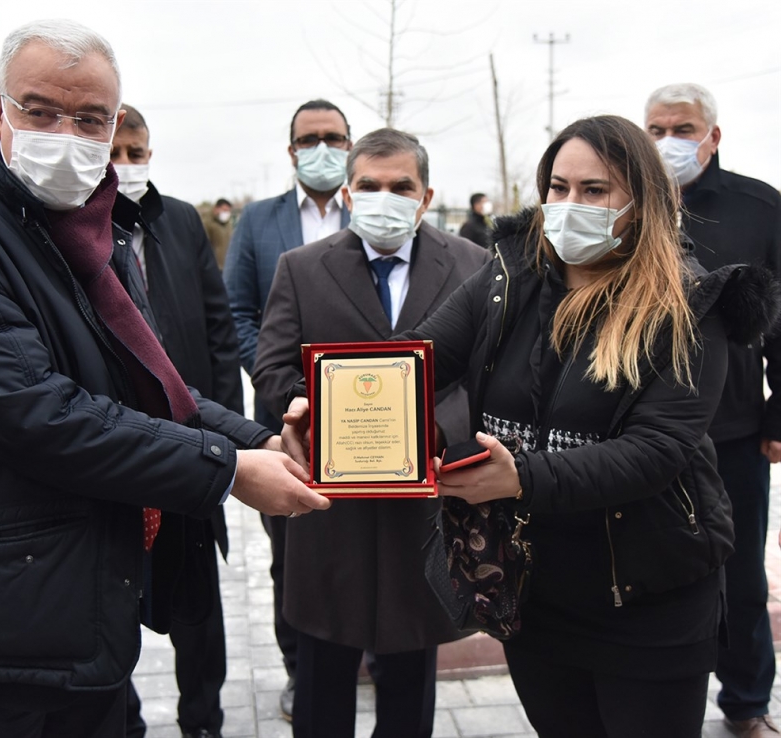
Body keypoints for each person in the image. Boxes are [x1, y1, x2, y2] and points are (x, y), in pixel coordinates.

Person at [0, 19, 328, 738]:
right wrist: (229, 470)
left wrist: (261, 437)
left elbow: (148, 380)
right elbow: (41, 416)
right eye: (40, 110)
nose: (66, 134)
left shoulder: (79, 222)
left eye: (89, 119)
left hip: (73, 614)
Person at [282, 115, 780, 736]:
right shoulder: (505, 281)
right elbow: (413, 364)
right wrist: (319, 411)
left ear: (640, 200)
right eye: (558, 187)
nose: (570, 205)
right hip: (533, 589)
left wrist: (520, 477)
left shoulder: (686, 305)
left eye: (594, 190)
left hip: (646, 595)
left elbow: (657, 450)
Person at [253, 127, 489, 737]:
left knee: (411, 681)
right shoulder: (301, 268)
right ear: (350, 193)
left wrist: (430, 429)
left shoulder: (474, 266)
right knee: (323, 679)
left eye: (400, 186)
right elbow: (273, 369)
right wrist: (325, 417)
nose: (385, 196)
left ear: (426, 195)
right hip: (334, 511)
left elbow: (489, 382)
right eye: (370, 186)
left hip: (426, 511)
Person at [645, 82, 781, 738]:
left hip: (732, 428)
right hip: (638, 431)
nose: (667, 141)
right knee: (650, 569)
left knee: (740, 576)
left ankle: (748, 700)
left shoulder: (760, 208)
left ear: (712, 135)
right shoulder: (623, 203)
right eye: (655, 129)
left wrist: (778, 416)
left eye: (682, 127)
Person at [111, 103, 239, 738]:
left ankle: (204, 721)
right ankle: (125, 720)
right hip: (112, 452)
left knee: (200, 610)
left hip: (192, 444)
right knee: (113, 598)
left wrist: (229, 437)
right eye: (115, 154)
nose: (126, 167)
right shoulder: (64, 230)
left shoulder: (180, 221)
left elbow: (218, 328)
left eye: (137, 154)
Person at [223, 98, 352, 719]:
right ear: (292, 149)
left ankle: (372, 652)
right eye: (310, 139)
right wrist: (286, 387)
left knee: (375, 539)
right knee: (294, 552)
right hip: (289, 419)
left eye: (333, 137)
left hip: (375, 420)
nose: (322, 149)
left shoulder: (377, 208)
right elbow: (240, 311)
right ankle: (301, 668)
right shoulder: (259, 221)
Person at [201, 198, 233, 270]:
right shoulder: (207, 223)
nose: (226, 213)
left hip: (227, 265)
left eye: (228, 211)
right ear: (216, 209)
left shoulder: (228, 224)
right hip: (214, 267)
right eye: (224, 210)